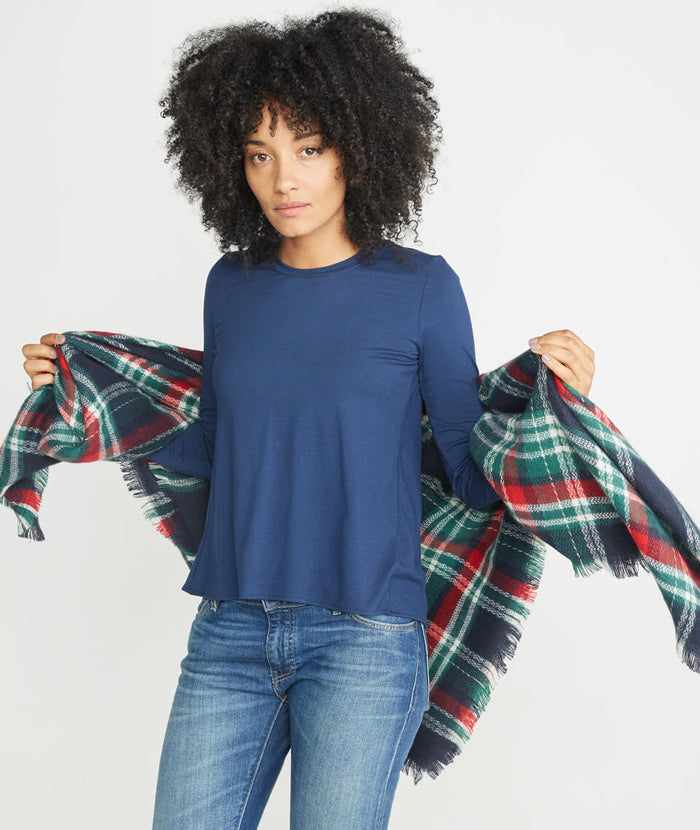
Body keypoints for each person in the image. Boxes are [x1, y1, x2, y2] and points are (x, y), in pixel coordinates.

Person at [20, 8, 595, 829]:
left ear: (359, 147)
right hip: (228, 632)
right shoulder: (232, 285)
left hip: (365, 641)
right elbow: (219, 444)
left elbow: (469, 473)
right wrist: (85, 389)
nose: (283, 179)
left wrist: (555, 399)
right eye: (260, 154)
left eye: (309, 148)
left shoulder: (422, 288)